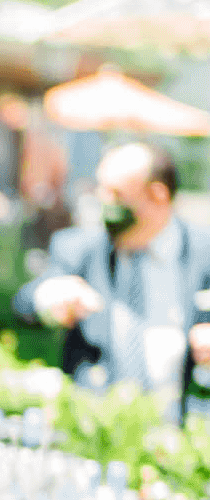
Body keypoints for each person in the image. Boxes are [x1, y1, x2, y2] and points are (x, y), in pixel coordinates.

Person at [13, 140, 210, 423]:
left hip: (183, 431)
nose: (104, 202)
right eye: (101, 190)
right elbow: (25, 303)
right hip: (98, 430)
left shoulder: (203, 253)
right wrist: (50, 297)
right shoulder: (80, 248)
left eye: (116, 193)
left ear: (158, 195)